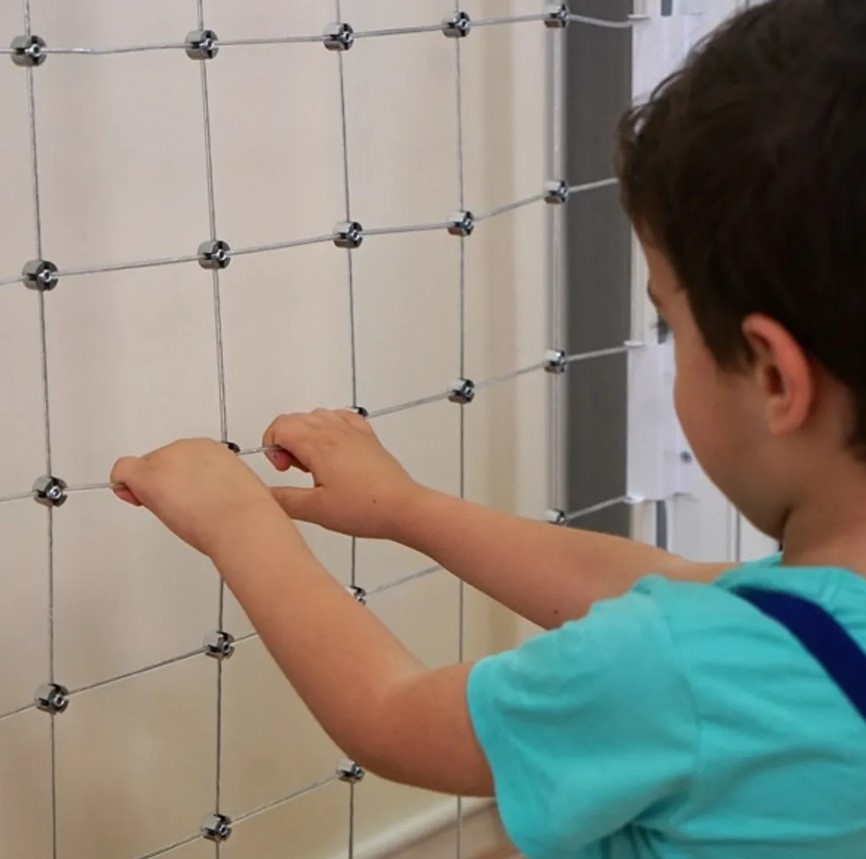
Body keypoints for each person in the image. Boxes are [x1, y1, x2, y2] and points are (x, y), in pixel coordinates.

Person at [111, 1, 866, 856]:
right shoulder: (790, 627)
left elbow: (392, 714)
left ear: (773, 377)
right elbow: (677, 584)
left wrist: (236, 518)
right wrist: (409, 509)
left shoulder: (680, 670)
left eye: (670, 327)